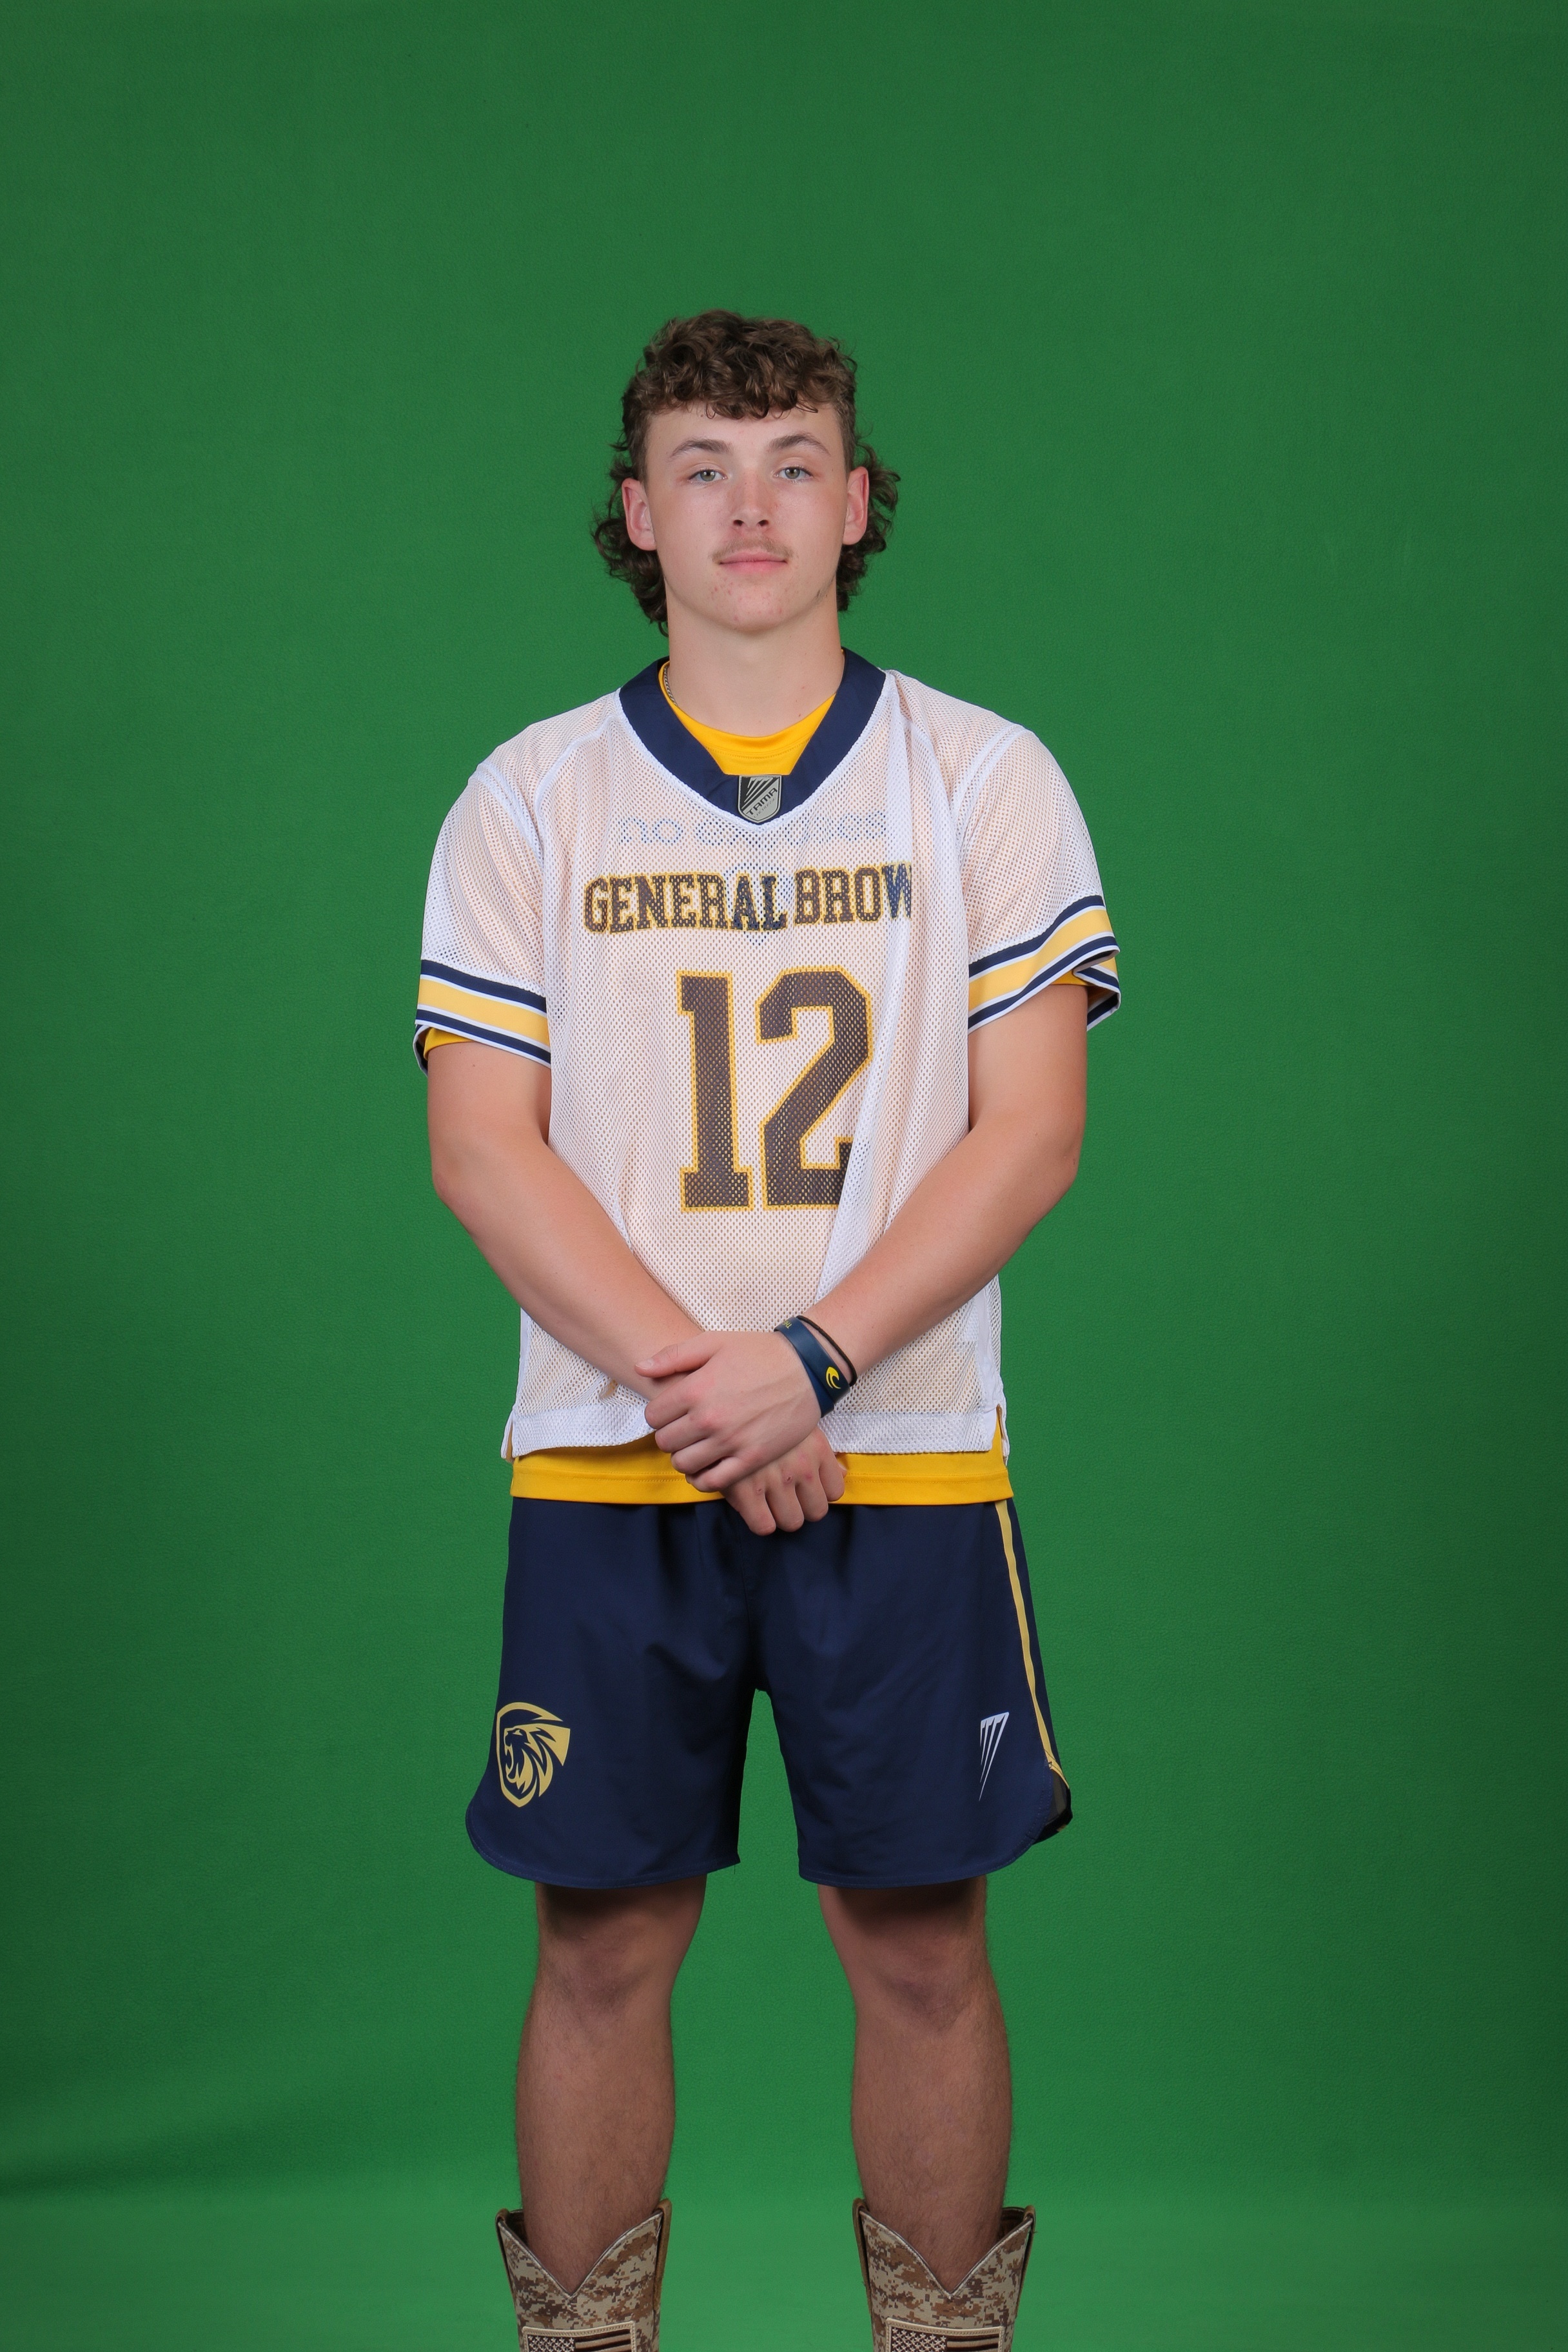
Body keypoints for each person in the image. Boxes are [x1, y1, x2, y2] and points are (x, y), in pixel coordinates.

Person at [416, 309, 1119, 2352]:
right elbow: (483, 1150)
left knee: (919, 1945)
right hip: (611, 1455)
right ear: (637, 515)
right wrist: (706, 1386)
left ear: (858, 502)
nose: (752, 504)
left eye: (796, 462)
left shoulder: (982, 776)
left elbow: (1032, 1132)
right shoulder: (531, 796)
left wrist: (803, 1364)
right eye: (704, 467)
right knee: (599, 1945)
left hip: (903, 1450)